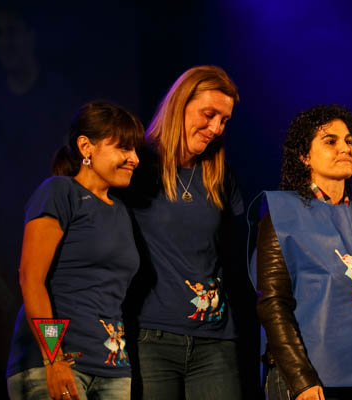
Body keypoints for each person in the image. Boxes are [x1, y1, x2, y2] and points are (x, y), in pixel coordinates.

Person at [251, 105, 352, 400]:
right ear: (304, 156)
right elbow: (273, 304)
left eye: (348, 141)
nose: (345, 148)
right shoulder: (283, 211)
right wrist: (301, 379)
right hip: (307, 380)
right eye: (331, 141)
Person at [6, 101, 145, 400]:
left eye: (135, 150)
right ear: (86, 147)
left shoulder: (121, 211)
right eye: (124, 148)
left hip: (113, 368)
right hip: (58, 364)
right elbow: (31, 279)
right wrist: (54, 359)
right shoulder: (59, 191)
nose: (134, 158)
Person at [122, 66, 244, 399]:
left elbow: (241, 256)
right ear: (180, 103)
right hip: (151, 337)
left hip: (216, 341)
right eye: (209, 114)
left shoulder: (221, 176)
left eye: (224, 120)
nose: (216, 128)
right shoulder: (137, 165)